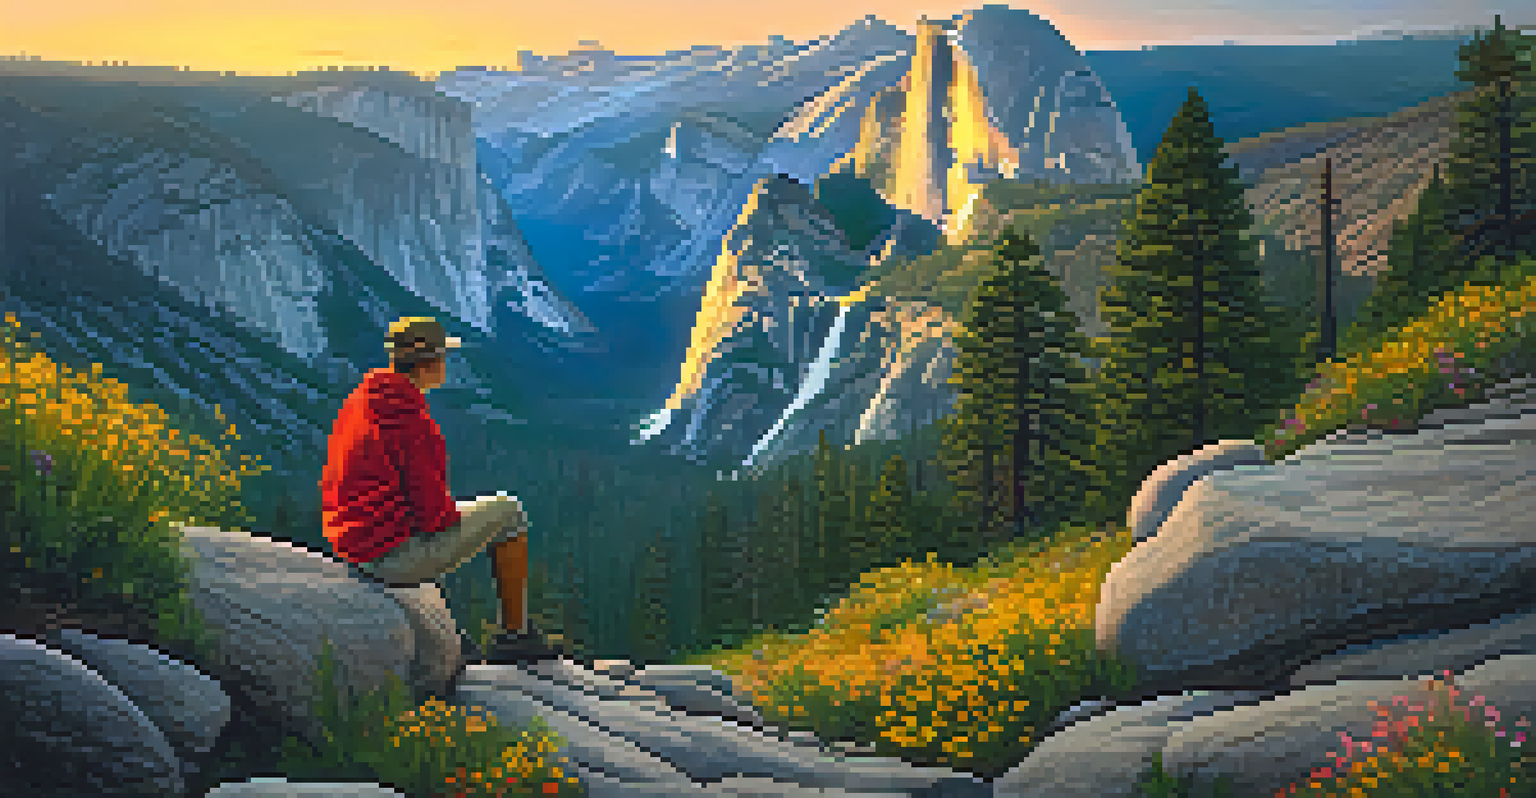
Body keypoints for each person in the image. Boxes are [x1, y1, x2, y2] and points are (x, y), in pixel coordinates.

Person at [320, 316, 560, 664]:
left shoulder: (363, 398)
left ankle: (452, 633)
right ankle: (515, 636)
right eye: (444, 357)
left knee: (457, 519)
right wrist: (457, 517)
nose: (447, 364)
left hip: (352, 543)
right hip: (386, 556)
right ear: (430, 362)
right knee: (509, 513)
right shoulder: (409, 418)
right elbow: (434, 518)